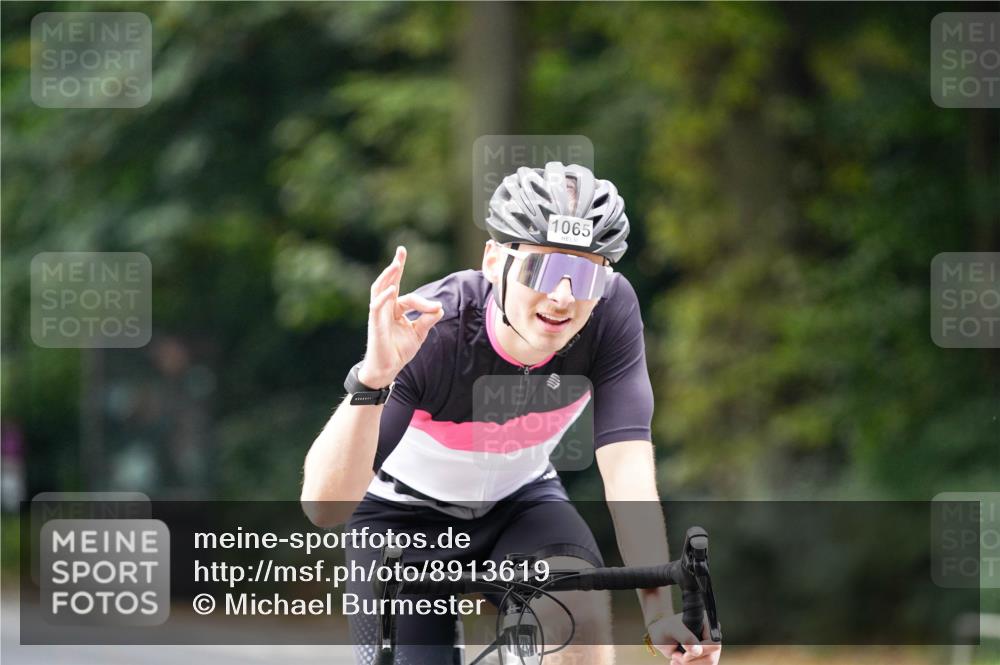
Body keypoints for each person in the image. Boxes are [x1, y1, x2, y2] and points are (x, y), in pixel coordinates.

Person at [301, 162, 722, 665]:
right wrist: (371, 380)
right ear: (494, 260)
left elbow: (629, 473)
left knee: (577, 627)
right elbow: (324, 509)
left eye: (586, 272)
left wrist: (658, 614)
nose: (564, 296)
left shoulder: (611, 314)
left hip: (520, 504)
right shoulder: (433, 331)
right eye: (542, 267)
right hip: (399, 519)